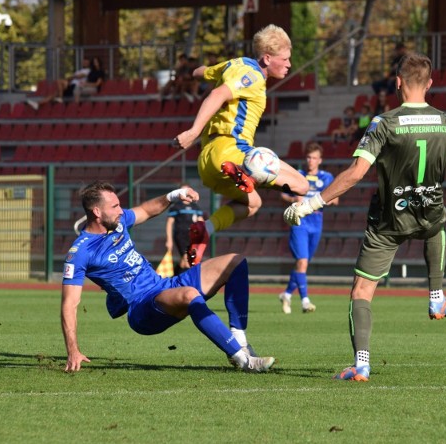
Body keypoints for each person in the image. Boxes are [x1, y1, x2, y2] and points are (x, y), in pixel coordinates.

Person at [283, 53, 446, 382]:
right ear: (429, 84)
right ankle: (436, 298)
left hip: (389, 220)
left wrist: (310, 203)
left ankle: (362, 363)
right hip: (429, 213)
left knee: (361, 293)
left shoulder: (384, 123)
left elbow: (355, 173)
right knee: (437, 224)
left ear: (397, 83)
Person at [61, 181, 275, 374]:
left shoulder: (119, 221)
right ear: (97, 212)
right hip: (141, 308)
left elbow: (146, 210)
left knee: (236, 262)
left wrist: (174, 195)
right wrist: (73, 350)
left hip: (164, 286)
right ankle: (243, 360)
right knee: (190, 295)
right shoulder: (80, 252)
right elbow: (69, 304)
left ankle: (240, 341)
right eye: (115, 206)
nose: (120, 210)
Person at [174, 24, 309, 266]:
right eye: (285, 59)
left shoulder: (234, 64)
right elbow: (217, 95)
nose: (289, 64)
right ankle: (249, 173)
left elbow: (198, 72)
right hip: (231, 150)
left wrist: (206, 72)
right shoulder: (253, 76)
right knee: (301, 185)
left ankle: (206, 228)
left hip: (208, 163)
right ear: (267, 58)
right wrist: (193, 131)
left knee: (255, 203)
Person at [279, 142, 338, 314]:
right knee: (303, 262)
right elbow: (283, 194)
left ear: (320, 160)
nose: (310, 161)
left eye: (314, 158)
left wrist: (324, 200)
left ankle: (287, 294)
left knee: (302, 264)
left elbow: (336, 199)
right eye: (308, 157)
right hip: (300, 222)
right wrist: (293, 201)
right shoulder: (298, 176)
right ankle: (305, 301)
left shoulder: (327, 177)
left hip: (317, 222)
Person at [165, 183, 205, 274]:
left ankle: (174, 278)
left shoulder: (195, 207)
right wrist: (169, 240)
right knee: (187, 260)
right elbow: (169, 223)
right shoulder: (176, 207)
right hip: (181, 236)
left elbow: (201, 222)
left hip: (192, 237)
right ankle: (185, 284)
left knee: (186, 261)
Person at [26, 57, 91, 110]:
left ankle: (60, 97)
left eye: (86, 62)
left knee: (59, 82)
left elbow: (78, 77)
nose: (84, 63)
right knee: (53, 94)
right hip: (70, 85)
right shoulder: (78, 71)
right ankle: (38, 104)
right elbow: (71, 78)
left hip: (76, 86)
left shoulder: (88, 71)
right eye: (83, 61)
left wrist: (71, 78)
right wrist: (70, 79)